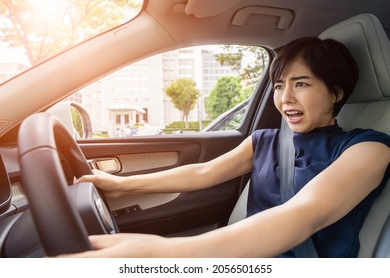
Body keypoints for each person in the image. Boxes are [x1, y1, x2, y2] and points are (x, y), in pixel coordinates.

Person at [61, 37, 390, 258]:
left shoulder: (369, 148)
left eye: (301, 84)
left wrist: (169, 254)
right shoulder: (265, 140)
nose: (285, 98)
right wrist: (118, 185)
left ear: (335, 92)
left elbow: (302, 216)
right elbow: (204, 172)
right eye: (278, 86)